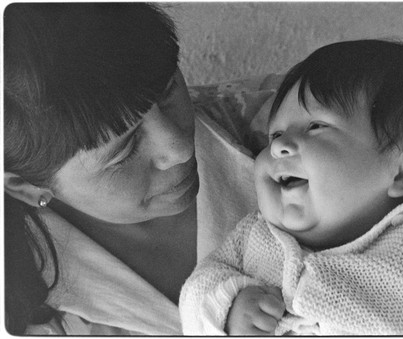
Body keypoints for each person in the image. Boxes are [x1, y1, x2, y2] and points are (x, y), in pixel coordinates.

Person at [179, 39, 403, 335]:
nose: (280, 147)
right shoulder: (253, 238)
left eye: (316, 127)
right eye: (274, 135)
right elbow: (198, 288)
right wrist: (228, 309)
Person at [4, 3, 268, 334]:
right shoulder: (21, 311)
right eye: (125, 150)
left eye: (169, 89)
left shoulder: (292, 124)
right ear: (24, 186)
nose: (180, 148)